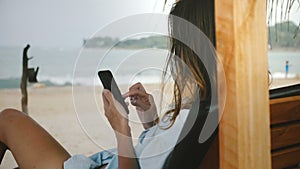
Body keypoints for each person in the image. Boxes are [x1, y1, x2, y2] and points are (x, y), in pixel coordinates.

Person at [0, 0, 217, 168]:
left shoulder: (197, 119)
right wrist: (150, 119)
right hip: (101, 162)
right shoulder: (203, 114)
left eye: (177, 47)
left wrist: (121, 128)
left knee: (8, 119)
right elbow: (161, 155)